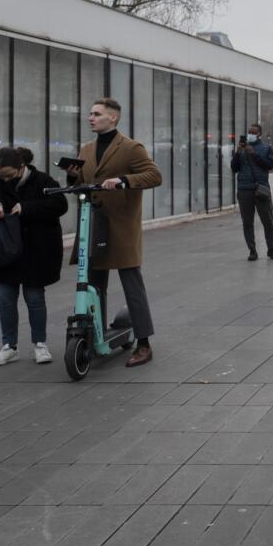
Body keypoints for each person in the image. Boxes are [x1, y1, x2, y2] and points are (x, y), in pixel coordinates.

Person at [63, 97, 163, 367]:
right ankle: (96, 337)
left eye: (96, 114)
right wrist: (73, 175)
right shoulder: (86, 149)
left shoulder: (131, 147)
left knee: (132, 285)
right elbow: (82, 181)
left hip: (121, 226)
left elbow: (154, 176)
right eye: (90, 113)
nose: (90, 117)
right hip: (94, 224)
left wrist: (123, 180)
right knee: (94, 284)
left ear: (113, 118)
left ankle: (144, 344)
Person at [0, 147, 68, 366]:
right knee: (5, 300)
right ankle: (9, 346)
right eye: (1, 175)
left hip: (36, 251)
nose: (5, 179)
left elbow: (60, 205)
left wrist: (25, 207)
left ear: (21, 167)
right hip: (4, 251)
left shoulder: (43, 180)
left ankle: (40, 344)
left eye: (8, 174)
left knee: (35, 298)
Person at [232, 123, 273, 261]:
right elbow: (234, 168)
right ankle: (252, 250)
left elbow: (269, 165)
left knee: (268, 221)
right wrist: (237, 153)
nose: (250, 134)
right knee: (247, 222)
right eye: (249, 132)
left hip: (261, 189)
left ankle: (271, 248)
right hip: (244, 189)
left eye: (253, 132)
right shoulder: (241, 149)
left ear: (259, 134)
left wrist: (253, 154)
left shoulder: (266, 148)